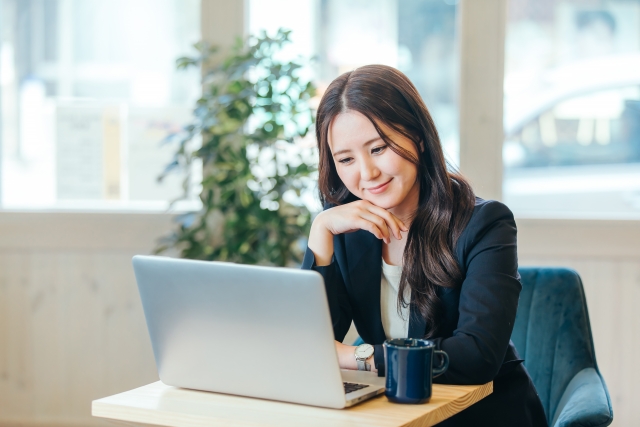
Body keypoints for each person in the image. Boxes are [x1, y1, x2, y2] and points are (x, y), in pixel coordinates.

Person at [301, 65, 548, 427]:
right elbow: (311, 344)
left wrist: (359, 357)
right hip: (396, 415)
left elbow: (476, 356)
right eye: (346, 159)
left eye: (378, 148)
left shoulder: (485, 223)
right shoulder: (346, 227)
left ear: (416, 135)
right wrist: (320, 233)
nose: (367, 173)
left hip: (481, 417)